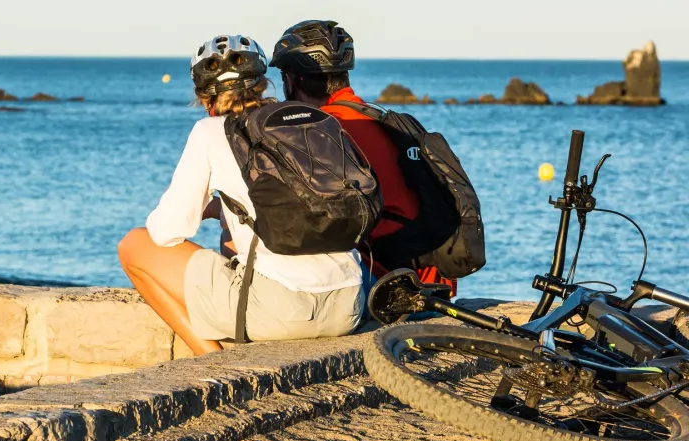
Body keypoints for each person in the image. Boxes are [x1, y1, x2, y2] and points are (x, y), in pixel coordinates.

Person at [118, 34, 365, 356]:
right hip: (349, 305)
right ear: (263, 83)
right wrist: (224, 210)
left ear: (203, 97)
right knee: (230, 236)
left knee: (135, 244)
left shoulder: (211, 131)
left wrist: (201, 207)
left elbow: (166, 233)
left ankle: (210, 359)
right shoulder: (311, 121)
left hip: (282, 313)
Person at [269, 20, 457, 296]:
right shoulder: (382, 120)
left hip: (381, 279)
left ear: (294, 78)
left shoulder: (319, 131)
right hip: (431, 276)